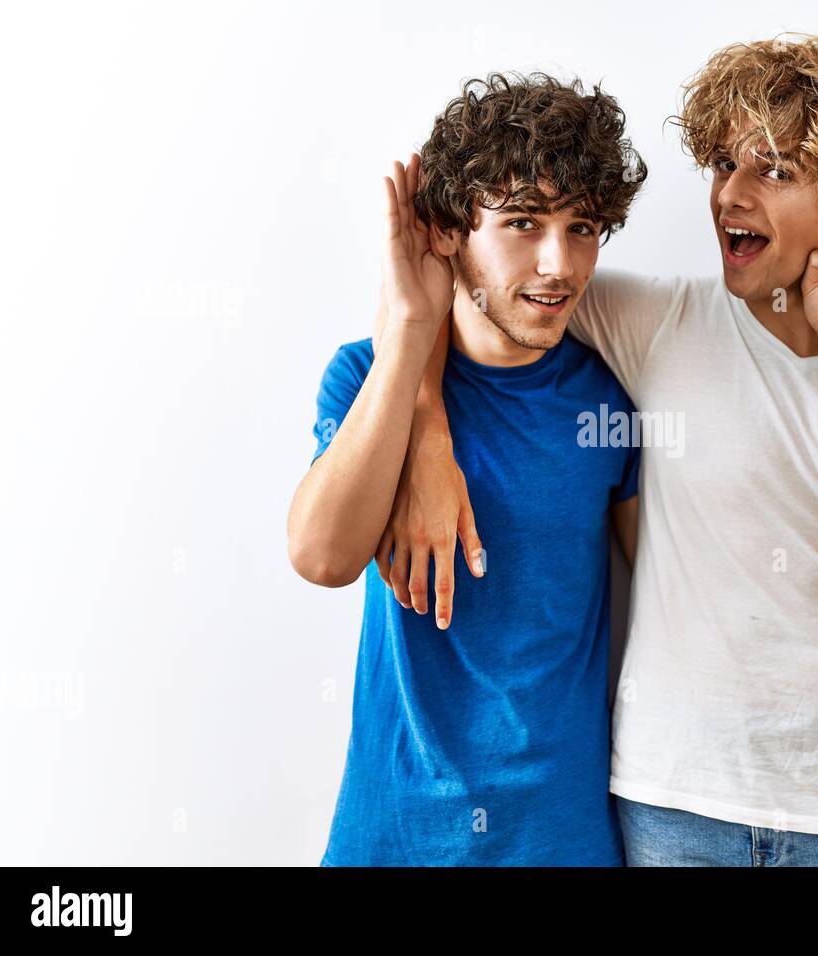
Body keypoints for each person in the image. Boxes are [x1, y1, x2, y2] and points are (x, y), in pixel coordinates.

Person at [380, 35, 818, 867]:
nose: (730, 195)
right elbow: (468, 280)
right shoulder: (656, 322)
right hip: (675, 801)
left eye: (771, 169)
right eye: (723, 167)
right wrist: (428, 437)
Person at [287, 72, 647, 865]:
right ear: (449, 230)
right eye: (522, 222)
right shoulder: (365, 374)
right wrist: (413, 335)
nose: (560, 264)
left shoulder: (609, 403)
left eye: (583, 227)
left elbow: (672, 586)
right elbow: (320, 556)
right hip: (394, 835)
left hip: (561, 839)